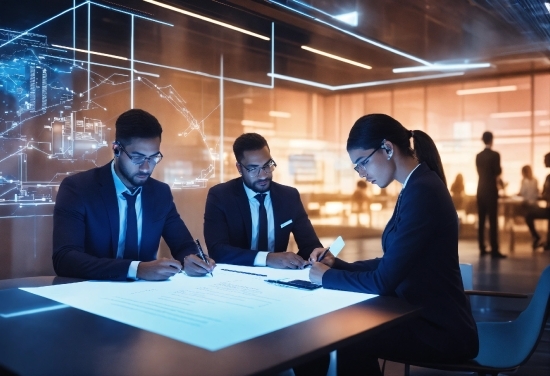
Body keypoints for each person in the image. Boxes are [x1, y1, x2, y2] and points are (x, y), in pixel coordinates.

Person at [308, 114, 479, 376]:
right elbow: (392, 265)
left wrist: (328, 277)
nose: (362, 174)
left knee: (346, 336)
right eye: (357, 168)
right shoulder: (416, 186)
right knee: (347, 331)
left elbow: (383, 281)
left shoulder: (422, 192)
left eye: (363, 163)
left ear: (388, 148)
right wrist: (338, 264)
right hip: (422, 314)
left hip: (440, 330)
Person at [203, 132, 329, 376]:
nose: (264, 175)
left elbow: (309, 243)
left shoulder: (288, 196)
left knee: (313, 342)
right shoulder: (220, 196)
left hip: (282, 289)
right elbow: (218, 250)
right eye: (254, 169)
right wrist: (269, 258)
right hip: (235, 291)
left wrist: (316, 253)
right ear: (239, 167)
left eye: (268, 165)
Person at [52, 109, 215, 281]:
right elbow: (65, 258)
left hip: (145, 295)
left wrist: (192, 260)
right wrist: (136, 269)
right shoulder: (79, 189)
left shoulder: (160, 193)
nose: (146, 167)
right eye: (137, 157)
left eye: (153, 158)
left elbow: (183, 244)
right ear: (116, 149)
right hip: (91, 294)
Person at [476, 131, 506, 258]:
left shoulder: (478, 156)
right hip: (491, 191)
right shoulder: (495, 155)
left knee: (481, 220)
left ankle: (482, 248)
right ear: (491, 140)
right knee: (493, 221)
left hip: (480, 190)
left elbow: (479, 172)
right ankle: (494, 249)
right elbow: (497, 171)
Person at [525, 154, 550, 251]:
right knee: (529, 215)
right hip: (548, 208)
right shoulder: (548, 177)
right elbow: (543, 194)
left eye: (545, 160)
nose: (544, 162)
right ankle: (537, 237)